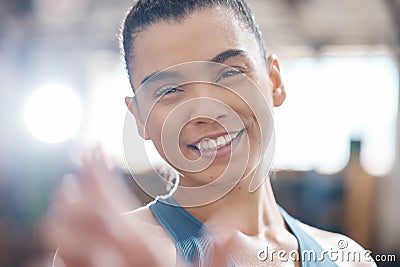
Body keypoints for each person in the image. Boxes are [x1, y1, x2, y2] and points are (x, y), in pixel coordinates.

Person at [44, 0, 376, 266]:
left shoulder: (348, 258)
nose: (206, 110)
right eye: (169, 90)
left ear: (274, 82)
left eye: (229, 73)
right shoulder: (113, 257)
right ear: (140, 119)